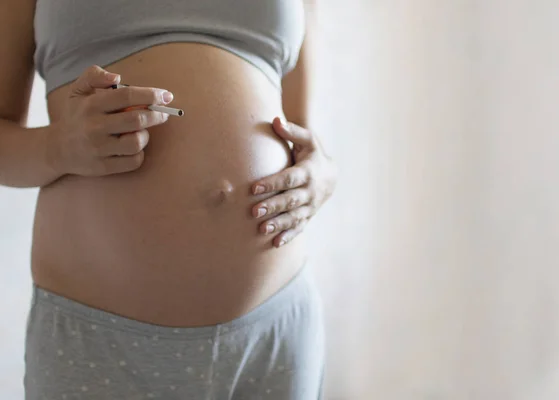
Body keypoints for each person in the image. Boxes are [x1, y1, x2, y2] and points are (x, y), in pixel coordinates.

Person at [0, 0, 337, 398]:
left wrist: (323, 174)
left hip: (272, 331)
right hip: (100, 341)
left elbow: (302, 135)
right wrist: (55, 146)